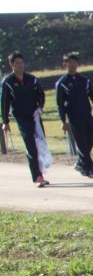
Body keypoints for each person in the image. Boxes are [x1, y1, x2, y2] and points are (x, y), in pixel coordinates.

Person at [55, 52, 93, 179]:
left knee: (91, 138)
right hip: (74, 117)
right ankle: (90, 170)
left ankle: (80, 163)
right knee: (82, 143)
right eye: (70, 61)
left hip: (87, 115)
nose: (73, 63)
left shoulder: (85, 81)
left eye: (75, 61)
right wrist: (63, 121)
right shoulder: (62, 83)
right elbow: (60, 104)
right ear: (65, 64)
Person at [1, 51, 50, 187]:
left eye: (22, 63)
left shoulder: (32, 79)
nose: (20, 66)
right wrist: (5, 121)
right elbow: (4, 102)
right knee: (31, 145)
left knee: (40, 143)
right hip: (22, 118)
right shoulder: (8, 82)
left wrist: (40, 107)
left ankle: (41, 170)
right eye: (17, 63)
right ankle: (37, 177)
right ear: (11, 65)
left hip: (35, 116)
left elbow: (41, 94)